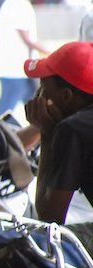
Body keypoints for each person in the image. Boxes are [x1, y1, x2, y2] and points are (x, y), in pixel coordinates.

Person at [24, 43, 93, 237]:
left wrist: (46, 134)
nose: (37, 98)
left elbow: (49, 218)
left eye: (43, 90)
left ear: (65, 96)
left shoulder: (72, 129)